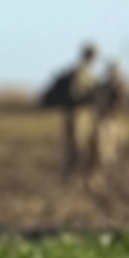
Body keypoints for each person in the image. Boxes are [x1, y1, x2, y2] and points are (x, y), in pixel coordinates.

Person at [40, 43, 100, 180]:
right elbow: (75, 94)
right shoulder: (78, 73)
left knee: (85, 148)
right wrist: (89, 96)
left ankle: (80, 177)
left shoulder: (88, 73)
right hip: (76, 115)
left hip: (86, 115)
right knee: (76, 148)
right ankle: (70, 177)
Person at [89, 60, 129, 174]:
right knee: (102, 150)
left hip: (117, 121)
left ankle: (113, 172)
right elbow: (97, 102)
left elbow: (125, 103)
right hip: (104, 120)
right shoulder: (102, 87)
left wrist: (121, 91)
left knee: (117, 149)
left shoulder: (122, 86)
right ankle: (101, 172)